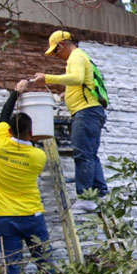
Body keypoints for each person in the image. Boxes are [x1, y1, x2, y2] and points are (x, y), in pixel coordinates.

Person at [0, 80, 55, 274]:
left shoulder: (0, 144)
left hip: (5, 217)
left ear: (9, 131)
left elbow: (3, 115)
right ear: (31, 132)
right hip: (31, 215)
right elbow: (30, 144)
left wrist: (16, 93)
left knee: (13, 265)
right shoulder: (38, 156)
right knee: (44, 261)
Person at [31, 30, 108, 207]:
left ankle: (86, 198)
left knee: (82, 154)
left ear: (62, 44)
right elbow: (82, 82)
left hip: (86, 112)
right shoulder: (80, 57)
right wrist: (68, 95)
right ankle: (100, 193)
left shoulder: (76, 57)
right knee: (90, 154)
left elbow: (77, 78)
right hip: (90, 112)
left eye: (55, 51)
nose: (56, 56)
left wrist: (47, 78)